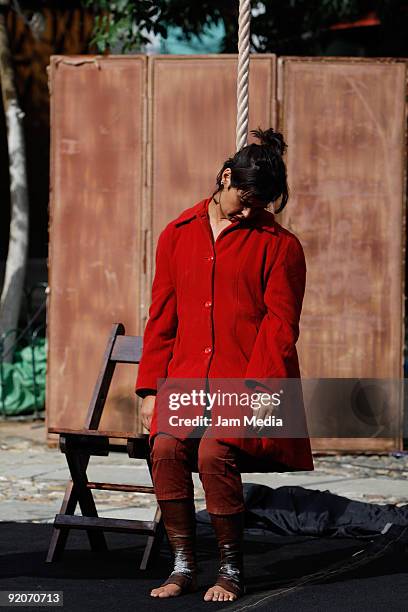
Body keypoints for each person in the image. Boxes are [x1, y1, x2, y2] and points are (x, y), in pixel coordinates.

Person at [135, 127, 314, 602]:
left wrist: (260, 391)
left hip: (246, 380)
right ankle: (182, 565)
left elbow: (281, 327)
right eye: (248, 198)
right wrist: (151, 390)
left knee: (215, 453)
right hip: (187, 378)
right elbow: (163, 315)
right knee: (166, 449)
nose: (254, 210)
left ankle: (231, 569)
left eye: (263, 204)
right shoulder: (177, 234)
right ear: (225, 177)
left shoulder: (280, 246)